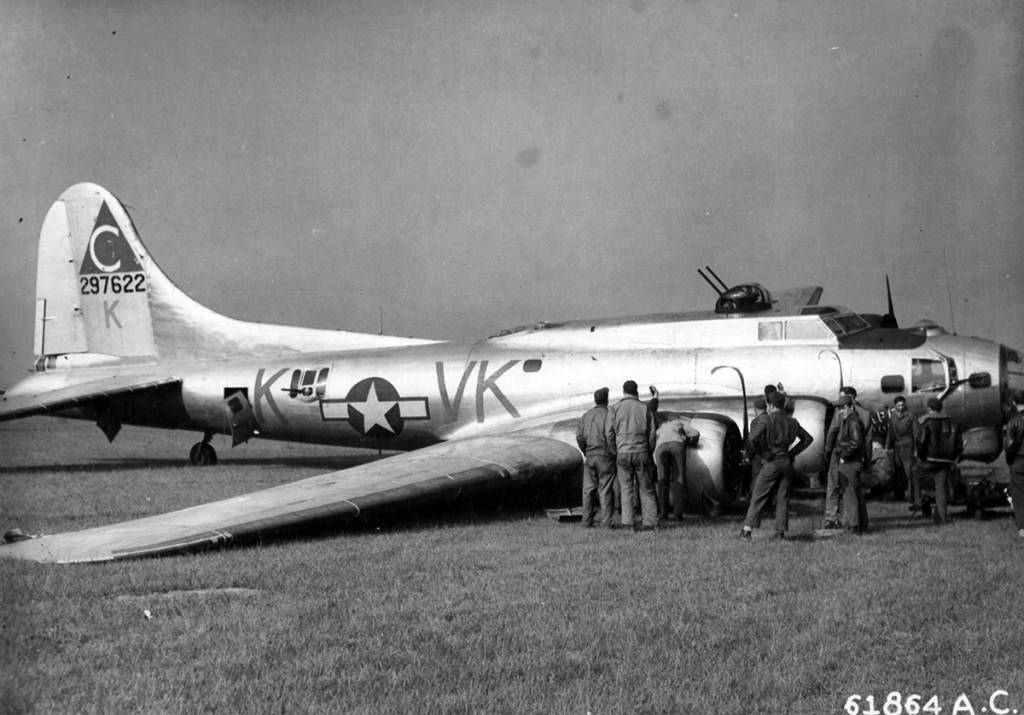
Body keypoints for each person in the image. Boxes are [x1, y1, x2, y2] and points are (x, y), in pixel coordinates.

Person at [740, 391, 813, 540]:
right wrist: (792, 453)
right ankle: (780, 532)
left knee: (758, 495)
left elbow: (752, 438)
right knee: (783, 497)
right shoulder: (792, 421)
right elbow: (807, 439)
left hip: (771, 462)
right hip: (786, 462)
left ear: (771, 405)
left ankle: (747, 530)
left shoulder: (766, 420)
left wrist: (764, 453)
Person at [606, 380, 658, 531]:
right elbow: (652, 433)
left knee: (626, 488)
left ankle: (628, 523)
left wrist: (614, 450)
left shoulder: (614, 408)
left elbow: (609, 433)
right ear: (637, 392)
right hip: (642, 451)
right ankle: (650, 523)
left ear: (623, 392)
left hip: (622, 452)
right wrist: (649, 450)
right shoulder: (644, 408)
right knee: (646, 488)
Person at [823, 386, 871, 528]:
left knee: (835, 485)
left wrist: (828, 451)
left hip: (843, 452)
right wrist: (867, 459)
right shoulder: (866, 414)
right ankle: (857, 520)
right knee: (855, 488)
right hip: (858, 456)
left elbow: (832, 431)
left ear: (850, 399)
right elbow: (868, 440)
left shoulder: (842, 412)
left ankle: (833, 517)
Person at [916, 396, 962, 525]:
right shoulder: (952, 421)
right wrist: (953, 457)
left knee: (914, 474)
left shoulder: (926, 421)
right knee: (940, 487)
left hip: (929, 459)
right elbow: (959, 444)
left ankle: (919, 503)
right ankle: (942, 517)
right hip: (946, 460)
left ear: (929, 408)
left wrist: (922, 457)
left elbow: (921, 442)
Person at [576, 387, 616, 528]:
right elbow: (611, 436)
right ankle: (606, 523)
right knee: (605, 490)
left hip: (590, 456)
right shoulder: (609, 415)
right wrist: (613, 452)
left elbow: (579, 436)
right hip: (605, 456)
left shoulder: (586, 415)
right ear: (607, 400)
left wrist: (586, 451)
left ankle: (586, 522)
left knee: (587, 491)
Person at [653, 415, 699, 519]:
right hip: (676, 445)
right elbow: (694, 433)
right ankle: (678, 512)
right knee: (678, 478)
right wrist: (687, 439)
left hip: (661, 448)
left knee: (662, 480)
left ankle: (663, 513)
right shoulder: (679, 423)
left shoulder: (661, 427)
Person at [886, 396, 919, 507]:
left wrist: (916, 449)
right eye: (898, 405)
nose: (901, 407)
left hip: (908, 445)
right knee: (897, 472)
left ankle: (913, 497)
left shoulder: (911, 416)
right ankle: (898, 495)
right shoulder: (893, 417)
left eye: (902, 405)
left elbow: (916, 433)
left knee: (909, 472)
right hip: (897, 446)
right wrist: (888, 447)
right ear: (895, 406)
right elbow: (890, 433)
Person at [1003, 389, 1024, 539]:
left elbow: (1010, 445)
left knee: (1019, 495)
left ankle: (1022, 528)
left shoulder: (1013, 421)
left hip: (1018, 460)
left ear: (1015, 403)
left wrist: (1009, 459)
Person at [744, 397, 768, 498]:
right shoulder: (771, 419)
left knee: (756, 478)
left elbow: (751, 439)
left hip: (758, 455)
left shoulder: (756, 421)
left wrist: (748, 455)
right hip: (770, 454)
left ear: (755, 409)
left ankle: (754, 500)